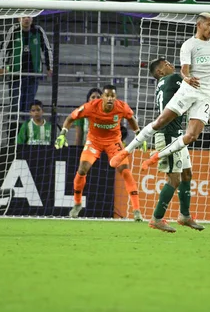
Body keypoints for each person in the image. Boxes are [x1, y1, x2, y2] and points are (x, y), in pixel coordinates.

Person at [109, 13, 210, 170]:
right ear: (199, 25)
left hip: (206, 95)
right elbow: (184, 70)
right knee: (160, 122)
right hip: (189, 89)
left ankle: (157, 156)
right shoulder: (188, 45)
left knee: (192, 136)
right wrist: (186, 78)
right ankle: (125, 151)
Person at [146, 58, 210, 232]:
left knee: (187, 174)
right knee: (174, 179)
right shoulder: (173, 79)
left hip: (176, 135)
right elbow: (196, 91)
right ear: (159, 72)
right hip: (167, 135)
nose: (171, 65)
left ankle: (185, 215)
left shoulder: (164, 83)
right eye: (166, 64)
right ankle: (157, 218)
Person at [54, 84, 144, 221]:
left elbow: (131, 119)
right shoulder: (90, 107)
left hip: (113, 142)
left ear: (116, 98)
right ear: (102, 97)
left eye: (112, 96)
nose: (109, 98)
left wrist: (139, 134)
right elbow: (70, 118)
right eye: (107, 95)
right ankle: (77, 204)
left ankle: (136, 210)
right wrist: (62, 134)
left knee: (125, 171)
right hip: (94, 141)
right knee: (82, 169)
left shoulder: (122, 107)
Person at [0, 16, 53, 112]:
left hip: (33, 75)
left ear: (32, 18)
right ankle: (14, 126)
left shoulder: (38, 31)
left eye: (29, 17)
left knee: (28, 106)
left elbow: (47, 49)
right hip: (16, 75)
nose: (26, 19)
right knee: (15, 105)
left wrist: (50, 67)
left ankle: (25, 127)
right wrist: (1, 66)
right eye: (24, 17)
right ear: (18, 18)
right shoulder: (13, 30)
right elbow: (4, 48)